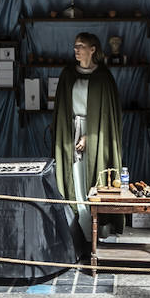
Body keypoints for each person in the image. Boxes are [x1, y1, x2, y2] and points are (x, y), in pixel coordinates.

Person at [53, 32, 123, 237]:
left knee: (94, 173)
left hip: (96, 133)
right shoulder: (68, 74)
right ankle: (78, 224)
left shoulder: (103, 77)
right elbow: (62, 108)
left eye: (81, 46)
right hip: (71, 129)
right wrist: (73, 133)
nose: (76, 50)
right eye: (75, 46)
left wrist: (89, 136)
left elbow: (107, 115)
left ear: (93, 49)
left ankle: (98, 224)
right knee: (74, 175)